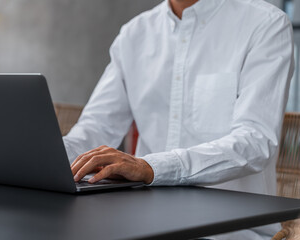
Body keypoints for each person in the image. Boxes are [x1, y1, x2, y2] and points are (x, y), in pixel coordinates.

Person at [63, 0, 294, 239]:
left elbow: (256, 142)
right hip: (142, 222)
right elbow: (96, 128)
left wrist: (149, 168)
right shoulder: (134, 34)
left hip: (230, 231)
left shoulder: (265, 24)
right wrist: (42, 155)